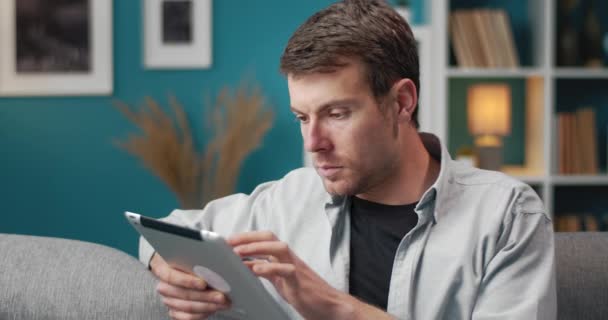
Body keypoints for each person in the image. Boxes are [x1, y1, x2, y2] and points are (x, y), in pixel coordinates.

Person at [139, 1, 557, 319]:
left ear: (402, 102)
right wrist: (168, 265)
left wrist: (335, 308)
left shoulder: (507, 215)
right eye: (302, 117)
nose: (313, 142)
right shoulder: (286, 199)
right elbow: (162, 231)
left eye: (337, 114)